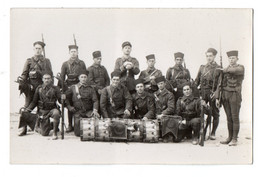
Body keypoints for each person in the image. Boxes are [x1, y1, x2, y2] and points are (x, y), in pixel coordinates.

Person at [19, 72, 63, 140]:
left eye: (48, 78)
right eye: (45, 78)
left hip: (52, 109)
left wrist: (63, 99)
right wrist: (28, 110)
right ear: (42, 79)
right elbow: (34, 102)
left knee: (56, 113)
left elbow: (60, 101)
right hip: (42, 111)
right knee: (44, 133)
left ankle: (54, 133)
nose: (47, 80)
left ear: (51, 79)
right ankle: (46, 126)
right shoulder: (39, 88)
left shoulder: (55, 88)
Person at [215, 50, 245, 146]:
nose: (231, 60)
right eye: (230, 58)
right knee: (229, 117)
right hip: (225, 95)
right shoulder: (225, 68)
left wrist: (222, 70)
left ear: (237, 59)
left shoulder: (240, 68)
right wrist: (217, 97)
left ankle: (235, 139)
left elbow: (234, 71)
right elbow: (220, 84)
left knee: (234, 117)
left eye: (233, 58)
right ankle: (229, 137)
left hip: (234, 95)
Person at [194, 48, 221, 140]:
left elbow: (220, 84)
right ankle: (202, 132)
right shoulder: (202, 67)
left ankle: (213, 133)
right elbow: (197, 80)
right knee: (201, 112)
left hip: (212, 93)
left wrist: (216, 95)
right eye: (207, 56)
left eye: (211, 56)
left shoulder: (218, 68)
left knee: (215, 113)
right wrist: (195, 92)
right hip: (203, 92)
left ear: (214, 56)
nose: (209, 58)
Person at [60, 45, 87, 133]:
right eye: (71, 51)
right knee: (69, 105)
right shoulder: (65, 64)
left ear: (77, 52)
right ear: (69, 53)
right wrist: (62, 89)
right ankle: (70, 125)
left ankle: (78, 123)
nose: (73, 53)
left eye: (75, 51)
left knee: (79, 103)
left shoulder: (81, 63)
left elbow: (84, 75)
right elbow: (62, 78)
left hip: (79, 86)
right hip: (69, 87)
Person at [65, 70, 100, 137]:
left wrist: (95, 110)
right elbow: (66, 98)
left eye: (85, 77)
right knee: (78, 133)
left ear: (87, 78)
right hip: (78, 112)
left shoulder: (91, 88)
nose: (83, 79)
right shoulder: (73, 88)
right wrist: (69, 107)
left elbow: (95, 100)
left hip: (89, 112)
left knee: (95, 129)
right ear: (79, 78)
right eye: (82, 77)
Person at [19, 41, 53, 109]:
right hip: (31, 88)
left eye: (39, 48)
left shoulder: (47, 61)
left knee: (43, 108)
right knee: (27, 107)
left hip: (43, 88)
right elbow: (24, 74)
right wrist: (22, 81)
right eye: (36, 48)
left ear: (42, 50)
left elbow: (50, 75)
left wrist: (51, 87)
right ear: (33, 49)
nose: (38, 50)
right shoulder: (29, 61)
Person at [154, 76, 175, 142]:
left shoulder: (170, 94)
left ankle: (165, 135)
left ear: (165, 83)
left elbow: (171, 108)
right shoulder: (154, 94)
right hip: (156, 115)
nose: (160, 85)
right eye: (158, 84)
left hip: (165, 115)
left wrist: (162, 114)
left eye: (161, 83)